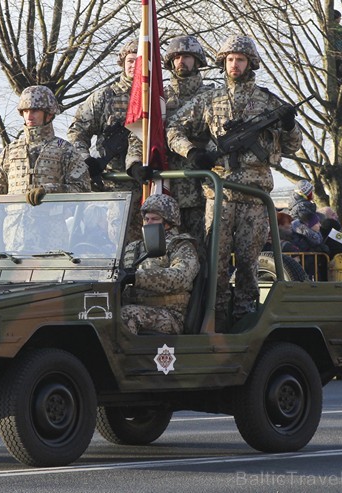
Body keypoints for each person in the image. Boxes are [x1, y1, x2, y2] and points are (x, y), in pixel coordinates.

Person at [166, 34, 303, 327]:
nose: (234, 65)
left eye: (240, 60)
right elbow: (173, 127)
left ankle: (244, 322)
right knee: (214, 264)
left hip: (254, 196)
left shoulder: (268, 101)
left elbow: (292, 146)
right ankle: (215, 320)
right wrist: (192, 152)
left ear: (250, 63)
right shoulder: (210, 99)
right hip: (220, 194)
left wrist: (289, 125)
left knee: (248, 265)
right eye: (229, 60)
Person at [126, 36, 213, 250]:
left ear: (198, 61)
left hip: (199, 189)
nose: (181, 61)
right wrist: (135, 164)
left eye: (187, 56)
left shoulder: (211, 96)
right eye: (176, 57)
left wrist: (207, 155)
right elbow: (141, 134)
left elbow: (218, 135)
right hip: (163, 189)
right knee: (159, 250)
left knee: (201, 250)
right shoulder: (158, 97)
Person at [67, 41, 143, 242]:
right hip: (113, 183)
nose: (133, 65)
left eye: (138, 61)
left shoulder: (156, 98)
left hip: (147, 180)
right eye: (129, 61)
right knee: (115, 240)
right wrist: (86, 159)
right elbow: (77, 131)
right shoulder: (105, 97)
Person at [0, 85, 90, 203]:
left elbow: (82, 189)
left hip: (51, 220)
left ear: (49, 114)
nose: (29, 116)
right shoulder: (10, 151)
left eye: (35, 111)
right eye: (25, 111)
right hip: (13, 221)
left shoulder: (65, 150)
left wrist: (49, 190)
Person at [120, 194, 199, 335]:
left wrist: (136, 277)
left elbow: (181, 278)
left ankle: (123, 358)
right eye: (146, 219)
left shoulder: (181, 246)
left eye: (155, 219)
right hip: (135, 307)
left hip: (169, 316)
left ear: (168, 223)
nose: (149, 223)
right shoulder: (134, 247)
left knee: (125, 315)